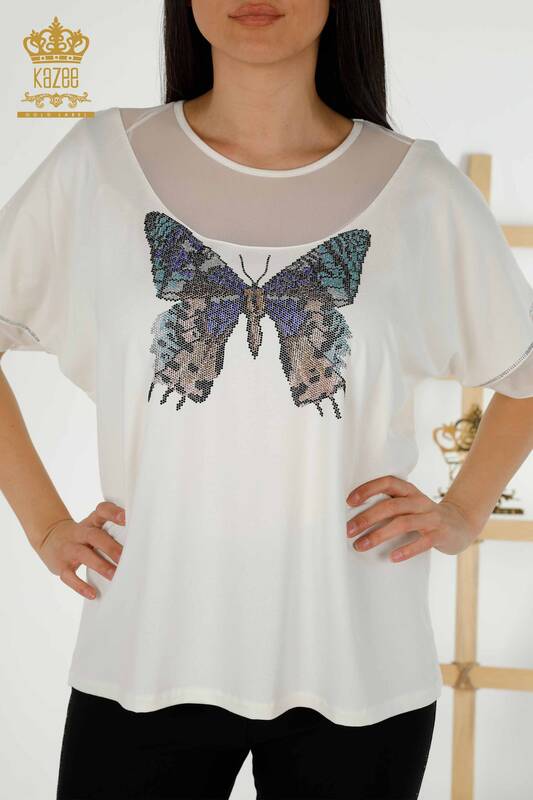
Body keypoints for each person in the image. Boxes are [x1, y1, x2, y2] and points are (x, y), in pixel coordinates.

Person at [1, 1, 533, 798]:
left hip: (359, 668)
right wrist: (44, 525)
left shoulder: (418, 186)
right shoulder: (101, 163)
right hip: (145, 654)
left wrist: (462, 511)